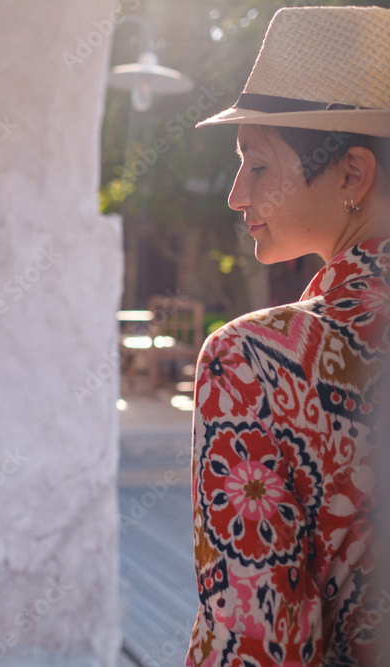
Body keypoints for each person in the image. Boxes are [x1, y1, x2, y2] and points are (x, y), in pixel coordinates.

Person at [186, 7, 390, 665]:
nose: (235, 195)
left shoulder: (254, 362)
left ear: (352, 174)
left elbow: (255, 642)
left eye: (257, 165)